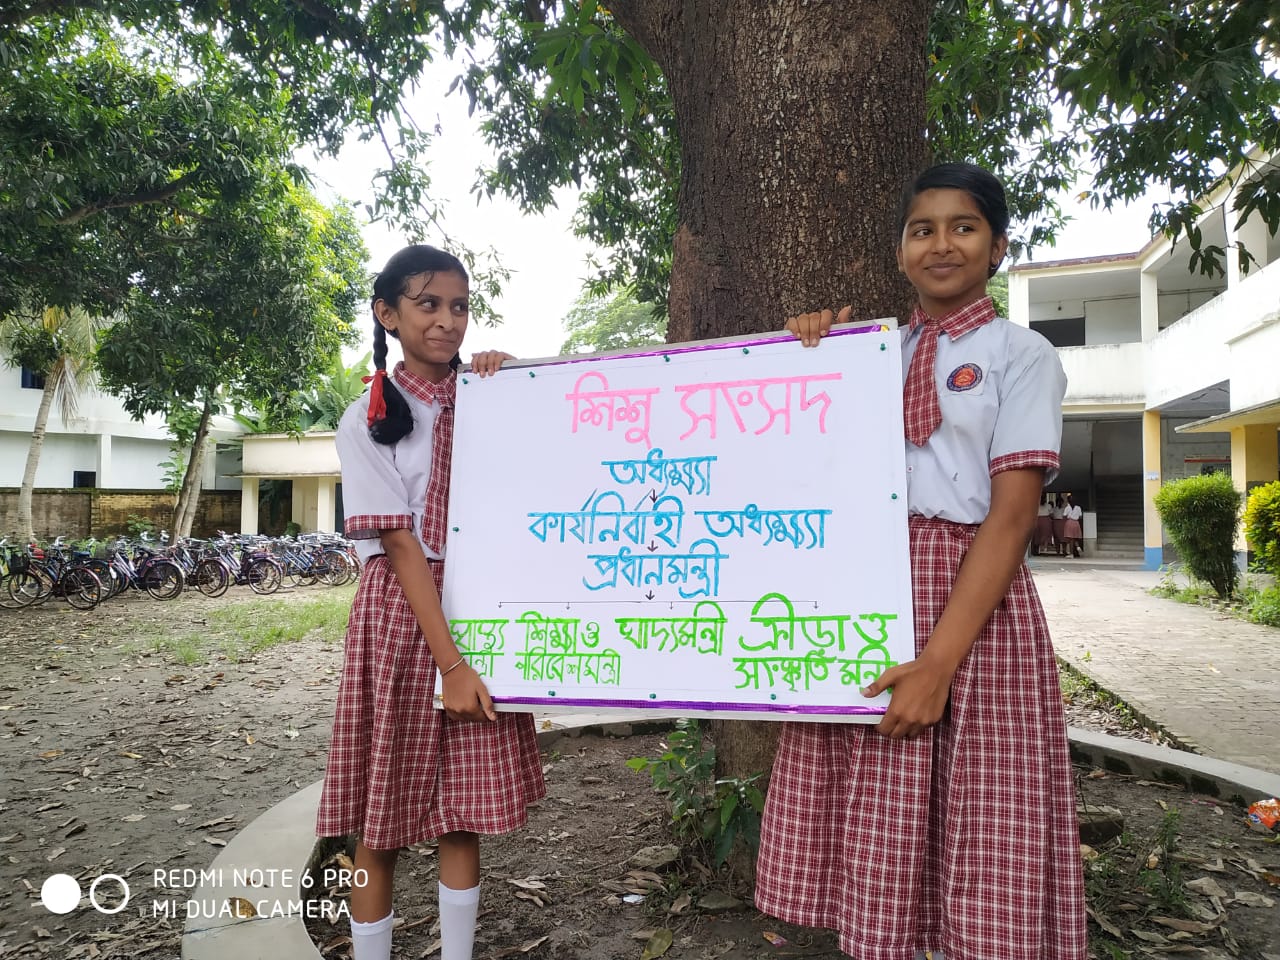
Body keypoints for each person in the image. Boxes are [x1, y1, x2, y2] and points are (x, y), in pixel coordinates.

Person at [760, 162, 1086, 959]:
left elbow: (1012, 517)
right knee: (880, 791)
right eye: (922, 230)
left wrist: (938, 663)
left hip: (972, 599)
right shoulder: (868, 351)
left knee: (981, 795)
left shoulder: (1022, 355)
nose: (942, 244)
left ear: (997, 247)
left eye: (964, 227)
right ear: (901, 250)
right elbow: (804, 459)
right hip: (869, 585)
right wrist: (810, 354)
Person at [316, 245, 545, 960]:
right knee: (379, 822)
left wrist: (518, 382)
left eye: (460, 306)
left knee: (461, 813)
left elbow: (547, 454)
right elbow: (400, 544)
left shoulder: (487, 396)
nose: (448, 320)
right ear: (388, 314)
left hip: (480, 600)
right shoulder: (367, 417)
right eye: (429, 305)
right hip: (403, 615)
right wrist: (452, 664)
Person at [1063, 493, 1084, 558]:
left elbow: (1064, 516)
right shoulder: (1078, 508)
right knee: (1075, 537)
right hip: (1076, 523)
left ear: (1068, 501)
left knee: (1070, 539)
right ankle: (1077, 546)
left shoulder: (1067, 508)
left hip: (1069, 522)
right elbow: (1080, 516)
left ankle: (1071, 554)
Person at [1034, 492, 1054, 556]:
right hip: (1043, 520)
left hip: (1040, 520)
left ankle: (1041, 549)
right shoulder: (1048, 506)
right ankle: (1043, 549)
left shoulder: (1036, 505)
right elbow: (1052, 515)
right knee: (1043, 535)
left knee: (1040, 535)